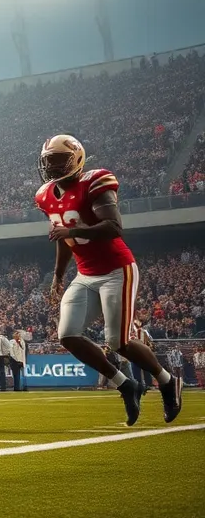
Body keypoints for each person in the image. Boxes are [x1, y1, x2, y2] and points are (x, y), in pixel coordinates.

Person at [36, 135, 182, 425]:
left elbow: (114, 227)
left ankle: (167, 381)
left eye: (58, 160)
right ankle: (125, 384)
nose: (52, 168)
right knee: (67, 334)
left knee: (118, 342)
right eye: (48, 161)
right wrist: (57, 276)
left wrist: (68, 234)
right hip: (85, 274)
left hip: (117, 269)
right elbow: (62, 238)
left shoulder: (95, 182)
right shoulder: (44, 195)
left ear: (76, 159)